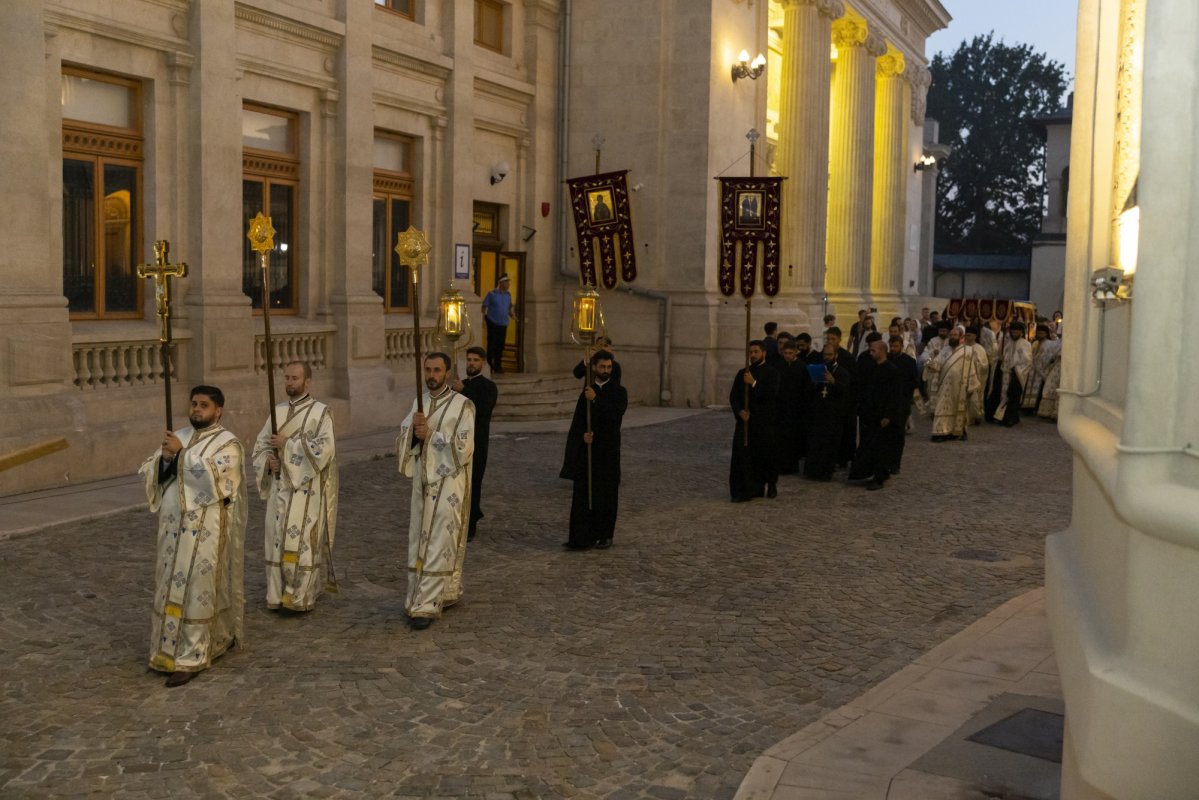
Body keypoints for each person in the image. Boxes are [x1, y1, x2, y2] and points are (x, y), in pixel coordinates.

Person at [139, 385, 246, 687]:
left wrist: (181, 456)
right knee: (167, 586)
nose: (197, 409)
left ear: (218, 410)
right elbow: (153, 470)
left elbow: (219, 480)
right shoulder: (180, 435)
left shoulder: (229, 443)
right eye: (194, 404)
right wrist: (164, 459)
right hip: (172, 530)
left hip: (204, 532)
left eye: (204, 405)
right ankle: (165, 650)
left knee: (197, 590)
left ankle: (192, 656)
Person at [397, 353, 476, 630]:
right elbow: (406, 436)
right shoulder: (420, 403)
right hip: (423, 481)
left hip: (449, 483)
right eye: (428, 370)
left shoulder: (463, 405)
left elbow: (464, 447)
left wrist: (430, 434)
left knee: (440, 539)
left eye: (437, 370)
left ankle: (426, 606)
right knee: (420, 537)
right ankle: (429, 594)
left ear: (448, 373)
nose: (431, 375)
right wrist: (412, 434)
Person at [253, 361, 338, 612]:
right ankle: (277, 594)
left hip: (306, 490)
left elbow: (326, 449)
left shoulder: (321, 413)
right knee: (276, 539)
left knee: (300, 543)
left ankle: (300, 595)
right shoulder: (276, 412)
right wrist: (269, 463)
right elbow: (261, 446)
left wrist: (288, 445)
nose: (290, 382)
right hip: (280, 489)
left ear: (307, 381)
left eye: (295, 378)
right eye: (287, 378)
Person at [563, 350, 628, 549]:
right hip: (588, 450)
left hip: (606, 451)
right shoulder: (587, 391)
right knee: (584, 493)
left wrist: (596, 400)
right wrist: (583, 435)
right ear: (594, 368)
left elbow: (615, 417)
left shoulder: (618, 392)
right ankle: (581, 535)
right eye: (602, 367)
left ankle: (605, 534)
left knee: (605, 493)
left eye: (608, 367)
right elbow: (578, 422)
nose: (605, 371)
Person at [847, 339, 906, 490]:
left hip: (883, 417)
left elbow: (895, 396)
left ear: (881, 351)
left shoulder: (892, 370)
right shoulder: (872, 368)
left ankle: (879, 477)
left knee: (881, 448)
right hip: (870, 415)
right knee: (870, 447)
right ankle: (874, 472)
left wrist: (888, 415)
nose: (870, 352)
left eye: (873, 350)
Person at [453, 346, 498, 542]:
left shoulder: (488, 386)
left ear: (483, 363)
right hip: (457, 443)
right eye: (469, 360)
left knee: (473, 484)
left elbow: (481, 408)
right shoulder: (459, 384)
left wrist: (465, 390)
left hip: (477, 443)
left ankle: (469, 526)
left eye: (475, 360)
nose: (471, 363)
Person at [729, 340, 781, 501]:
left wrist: (754, 383)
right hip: (746, 422)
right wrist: (740, 411)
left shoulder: (772, 373)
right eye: (750, 352)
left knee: (765, 454)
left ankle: (770, 484)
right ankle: (746, 489)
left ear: (764, 353)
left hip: (764, 422)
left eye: (756, 352)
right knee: (743, 455)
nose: (753, 355)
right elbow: (734, 396)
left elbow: (771, 394)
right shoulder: (742, 373)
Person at [803, 343, 853, 481]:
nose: (827, 357)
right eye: (824, 354)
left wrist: (833, 381)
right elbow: (809, 391)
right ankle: (812, 471)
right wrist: (813, 383)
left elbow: (845, 390)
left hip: (833, 413)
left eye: (830, 355)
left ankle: (826, 472)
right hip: (818, 412)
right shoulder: (818, 369)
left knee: (830, 443)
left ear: (836, 355)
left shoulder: (842, 372)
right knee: (816, 442)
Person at [930, 329, 983, 442]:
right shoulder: (944, 350)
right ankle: (939, 432)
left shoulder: (968, 351)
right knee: (942, 407)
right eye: (951, 335)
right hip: (945, 385)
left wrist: (971, 384)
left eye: (955, 335)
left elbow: (972, 368)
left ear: (961, 337)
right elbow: (937, 363)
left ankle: (958, 432)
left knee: (960, 409)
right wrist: (930, 364)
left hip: (960, 386)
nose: (952, 337)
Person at [776, 338, 814, 474]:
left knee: (793, 438)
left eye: (790, 353)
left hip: (796, 408)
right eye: (785, 353)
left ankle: (792, 466)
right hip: (781, 407)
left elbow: (807, 388)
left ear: (796, 353)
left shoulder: (802, 367)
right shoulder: (779, 366)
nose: (787, 355)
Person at [992, 322, 1032, 427]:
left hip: (1017, 374)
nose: (1014, 333)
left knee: (1013, 396)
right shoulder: (1007, 343)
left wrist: (1016, 369)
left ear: (1021, 332)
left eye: (1016, 331)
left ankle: (1011, 418)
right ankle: (1002, 416)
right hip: (1006, 373)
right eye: (1012, 331)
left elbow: (1027, 361)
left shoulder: (1025, 344)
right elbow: (1003, 356)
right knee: (1004, 395)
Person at [887, 334, 920, 464]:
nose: (893, 349)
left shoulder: (909, 362)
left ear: (901, 346)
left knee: (899, 435)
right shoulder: (887, 359)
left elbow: (915, 381)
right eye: (891, 346)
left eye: (895, 346)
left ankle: (896, 462)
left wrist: (904, 392)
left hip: (902, 403)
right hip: (888, 402)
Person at [481, 274, 512, 374]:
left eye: (508, 282)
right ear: (501, 283)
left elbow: (509, 308)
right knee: (492, 344)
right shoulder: (492, 294)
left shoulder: (508, 295)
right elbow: (484, 307)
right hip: (492, 321)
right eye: (506, 282)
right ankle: (489, 364)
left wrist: (513, 316)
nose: (508, 284)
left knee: (500, 345)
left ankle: (498, 365)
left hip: (503, 323)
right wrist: (483, 320)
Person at [1021, 324, 1054, 414]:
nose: (1040, 335)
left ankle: (1035, 408)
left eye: (1042, 333)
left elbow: (1049, 357)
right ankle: (1027, 407)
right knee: (1029, 388)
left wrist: (1041, 364)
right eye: (1038, 333)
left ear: (1046, 334)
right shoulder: (1035, 343)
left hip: (1042, 370)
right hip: (1032, 370)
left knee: (1039, 390)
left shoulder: (1050, 344)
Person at [962, 326, 990, 425]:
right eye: (966, 335)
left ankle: (976, 417)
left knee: (975, 399)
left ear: (975, 336)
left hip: (976, 378)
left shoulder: (980, 348)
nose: (967, 337)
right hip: (964, 377)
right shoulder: (962, 347)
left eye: (969, 335)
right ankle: (965, 417)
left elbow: (985, 365)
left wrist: (975, 362)